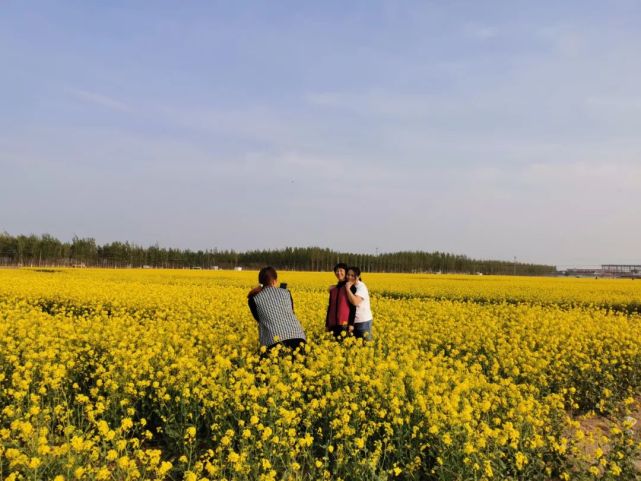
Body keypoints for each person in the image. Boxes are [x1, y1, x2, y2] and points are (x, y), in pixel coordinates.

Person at [248, 266, 306, 356]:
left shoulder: (253, 299)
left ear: (260, 282)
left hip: (274, 342)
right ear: (275, 281)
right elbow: (291, 311)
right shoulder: (286, 292)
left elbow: (259, 319)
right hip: (299, 339)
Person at [325, 262, 356, 338]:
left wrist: (351, 324)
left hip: (344, 324)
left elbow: (353, 307)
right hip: (332, 324)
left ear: (346, 272)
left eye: (341, 270)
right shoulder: (333, 289)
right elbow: (330, 307)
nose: (339, 273)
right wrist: (327, 324)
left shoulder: (350, 287)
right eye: (337, 271)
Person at [345, 266, 373, 340]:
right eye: (348, 275)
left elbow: (355, 302)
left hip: (363, 322)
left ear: (358, 277)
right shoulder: (351, 285)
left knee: (365, 346)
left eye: (352, 275)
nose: (349, 277)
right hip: (353, 322)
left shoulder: (361, 287)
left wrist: (347, 289)